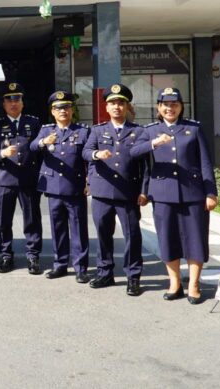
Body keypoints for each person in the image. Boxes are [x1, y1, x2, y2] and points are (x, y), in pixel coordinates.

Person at [130, 87, 218, 305]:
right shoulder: (151, 131)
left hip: (193, 193)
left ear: (181, 107)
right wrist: (154, 143)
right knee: (168, 239)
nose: (170, 108)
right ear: (158, 107)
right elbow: (133, 152)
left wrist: (210, 192)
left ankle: (194, 285)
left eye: (174, 104)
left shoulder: (193, 129)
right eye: (166, 105)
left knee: (196, 239)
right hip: (163, 193)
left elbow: (205, 163)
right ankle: (174, 283)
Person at [82, 84, 148, 296]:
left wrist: (144, 191)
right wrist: (96, 155)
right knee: (103, 234)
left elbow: (146, 165)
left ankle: (133, 276)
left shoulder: (138, 132)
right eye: (112, 103)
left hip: (128, 192)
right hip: (102, 191)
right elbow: (86, 151)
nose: (116, 107)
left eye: (120, 103)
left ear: (127, 106)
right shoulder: (97, 130)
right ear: (106, 107)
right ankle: (105, 272)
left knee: (132, 235)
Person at [30, 91, 90, 283]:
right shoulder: (46, 130)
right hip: (54, 187)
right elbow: (32, 147)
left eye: (66, 107)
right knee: (58, 229)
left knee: (79, 229)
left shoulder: (82, 131)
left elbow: (89, 160)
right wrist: (43, 142)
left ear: (72, 110)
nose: (63, 111)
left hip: (75, 187)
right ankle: (60, 265)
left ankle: (81, 268)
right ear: (52, 112)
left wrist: (89, 182)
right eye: (58, 108)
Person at [0, 82, 43, 274]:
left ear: (22, 102)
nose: (13, 103)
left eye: (17, 99)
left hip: (28, 179)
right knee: (3, 221)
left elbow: (40, 151)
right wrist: (2, 153)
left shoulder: (34, 123)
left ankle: (33, 256)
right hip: (5, 180)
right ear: (4, 104)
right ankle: (6, 256)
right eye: (9, 100)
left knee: (32, 220)